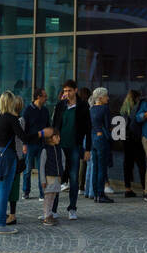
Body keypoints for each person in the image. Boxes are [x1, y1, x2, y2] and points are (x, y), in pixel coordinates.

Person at [0, 91, 50, 234]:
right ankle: (1, 225)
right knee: (5, 189)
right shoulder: (11, 118)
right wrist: (41, 134)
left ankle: (0, 220)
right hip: (7, 156)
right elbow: (24, 138)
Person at [50, 79, 92, 221]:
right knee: (57, 178)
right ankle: (53, 209)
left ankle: (72, 208)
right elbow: (54, 125)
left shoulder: (83, 106)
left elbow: (88, 128)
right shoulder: (60, 105)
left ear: (75, 90)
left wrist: (88, 149)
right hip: (60, 146)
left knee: (74, 178)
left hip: (75, 146)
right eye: (65, 91)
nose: (67, 93)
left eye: (69, 90)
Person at [21, 88, 51, 201]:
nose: (46, 98)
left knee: (41, 169)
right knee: (27, 169)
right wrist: (24, 144)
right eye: (44, 96)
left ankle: (42, 193)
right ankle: (26, 191)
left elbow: (48, 126)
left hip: (42, 144)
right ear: (38, 97)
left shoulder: (45, 110)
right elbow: (24, 128)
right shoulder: (27, 110)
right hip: (29, 144)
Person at [118, 90, 147, 198]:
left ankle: (127, 188)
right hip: (136, 139)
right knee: (141, 164)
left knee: (127, 164)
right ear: (136, 98)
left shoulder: (123, 109)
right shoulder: (137, 109)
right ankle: (145, 188)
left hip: (126, 139)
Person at [88, 87, 114, 203]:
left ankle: (95, 194)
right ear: (100, 98)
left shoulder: (91, 109)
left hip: (93, 139)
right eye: (106, 96)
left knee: (95, 167)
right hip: (102, 140)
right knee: (102, 168)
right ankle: (100, 194)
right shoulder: (105, 109)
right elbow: (108, 125)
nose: (108, 98)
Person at [39, 129, 67, 226]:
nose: (59, 138)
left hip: (57, 177)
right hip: (48, 178)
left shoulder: (60, 149)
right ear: (50, 138)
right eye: (56, 136)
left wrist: (61, 171)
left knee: (53, 197)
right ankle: (46, 216)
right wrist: (42, 180)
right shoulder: (45, 150)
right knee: (48, 197)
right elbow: (42, 166)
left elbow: (63, 161)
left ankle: (50, 214)